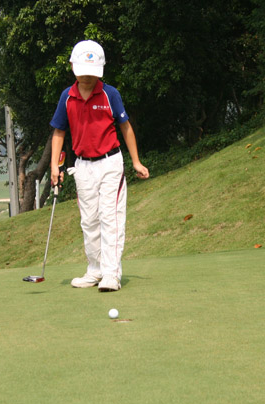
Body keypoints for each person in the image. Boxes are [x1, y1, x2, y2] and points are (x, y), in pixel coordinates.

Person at [50, 40, 149, 292]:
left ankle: (111, 274)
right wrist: (54, 166)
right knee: (89, 221)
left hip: (110, 163)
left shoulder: (109, 94)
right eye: (82, 71)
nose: (87, 77)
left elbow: (125, 127)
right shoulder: (67, 96)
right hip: (82, 166)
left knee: (110, 218)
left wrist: (136, 161)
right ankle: (95, 271)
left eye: (91, 72)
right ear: (72, 67)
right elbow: (59, 132)